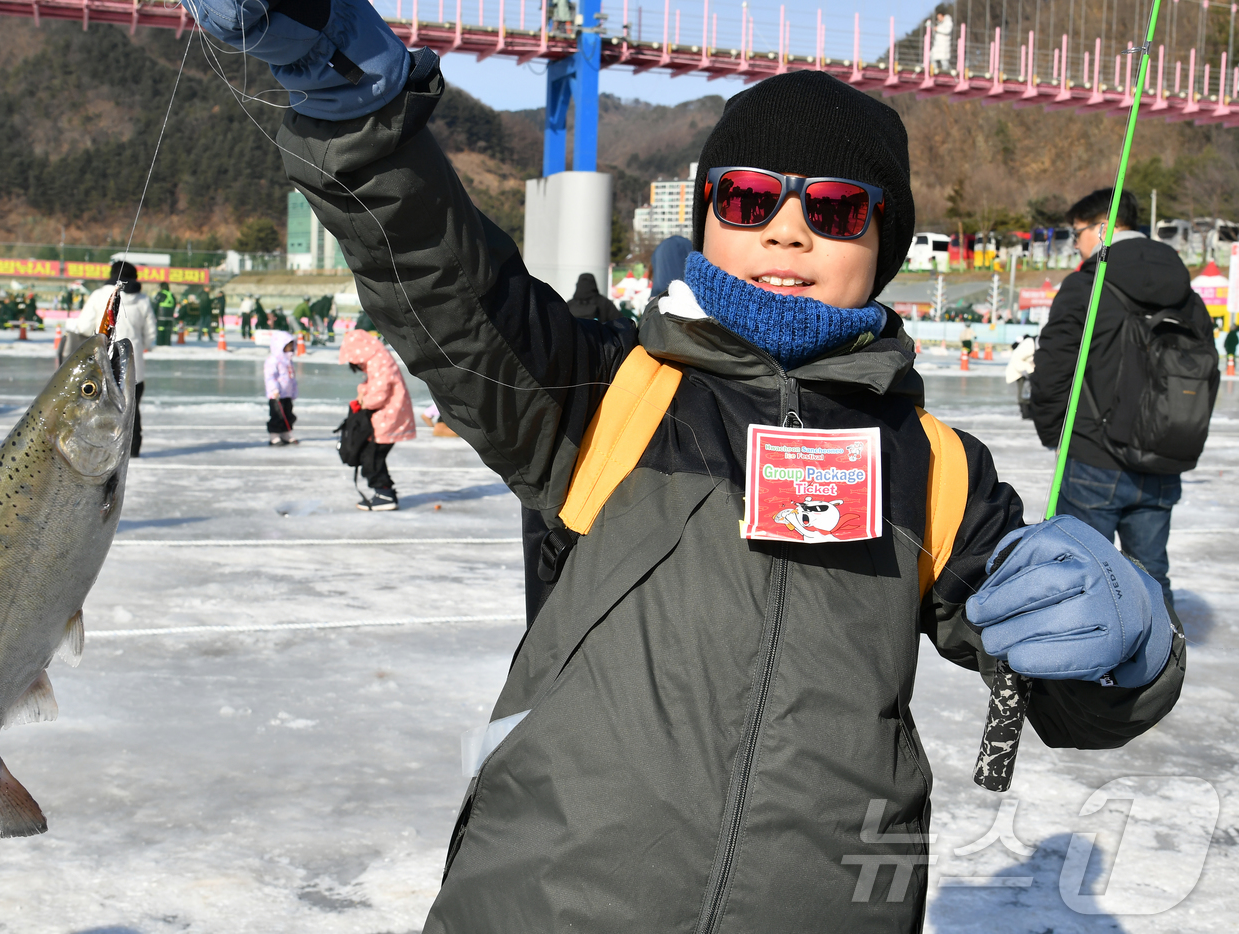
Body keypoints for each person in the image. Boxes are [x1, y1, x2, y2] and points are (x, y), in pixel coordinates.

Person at [190, 4, 1185, 928]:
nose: (785, 228)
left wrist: (1127, 647)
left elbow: (1058, 693)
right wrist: (355, 103)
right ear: (706, 215)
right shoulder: (601, 394)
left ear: (880, 242)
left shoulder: (935, 470)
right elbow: (449, 286)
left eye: (834, 210)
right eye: (749, 197)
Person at [1030, 188, 1210, 609]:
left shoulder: (1087, 286)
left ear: (1102, 229)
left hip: (1094, 453)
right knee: (1150, 575)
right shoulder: (1188, 294)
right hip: (1164, 456)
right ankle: (1157, 668)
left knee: (1080, 573)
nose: (1076, 244)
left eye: (1077, 234)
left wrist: (1054, 430)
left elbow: (1053, 366)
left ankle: (1084, 672)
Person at [70, 261, 157, 456]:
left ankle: (98, 451)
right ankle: (133, 450)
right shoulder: (142, 300)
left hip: (101, 365)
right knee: (130, 411)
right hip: (133, 367)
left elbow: (83, 326)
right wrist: (141, 346)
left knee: (97, 409)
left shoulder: (99, 295)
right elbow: (151, 335)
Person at [338, 328, 415, 510]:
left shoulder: (379, 360)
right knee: (372, 455)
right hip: (386, 417)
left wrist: (364, 401)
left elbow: (380, 393)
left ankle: (385, 494)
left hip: (388, 417)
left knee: (371, 456)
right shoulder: (376, 359)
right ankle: (384, 492)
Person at [264, 330, 300, 446]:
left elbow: (292, 377)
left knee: (288, 414)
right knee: (277, 414)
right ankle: (274, 435)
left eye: (291, 346)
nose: (290, 349)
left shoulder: (289, 361)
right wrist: (274, 389)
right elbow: (270, 376)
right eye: (288, 346)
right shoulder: (273, 360)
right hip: (276, 395)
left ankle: (285, 433)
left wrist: (294, 390)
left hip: (287, 393)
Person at [1004, 332, 1036, 418]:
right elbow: (1016, 357)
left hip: (1025, 370)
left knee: (1026, 393)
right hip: (1019, 372)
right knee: (1024, 393)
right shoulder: (1030, 344)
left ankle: (1027, 413)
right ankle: (1026, 414)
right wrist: (1024, 370)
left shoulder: (1031, 343)